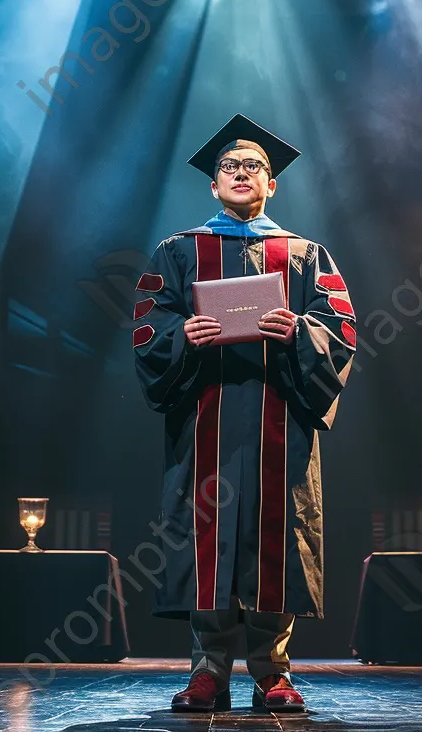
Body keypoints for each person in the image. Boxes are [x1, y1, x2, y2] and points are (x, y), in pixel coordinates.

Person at [131, 114, 356, 713]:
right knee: (207, 544)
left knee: (275, 541)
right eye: (229, 166)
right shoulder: (178, 251)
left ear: (272, 183)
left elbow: (343, 331)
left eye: (253, 166)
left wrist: (298, 331)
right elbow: (148, 325)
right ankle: (208, 670)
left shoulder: (306, 254)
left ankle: (272, 673)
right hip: (205, 421)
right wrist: (185, 333)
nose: (240, 173)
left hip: (279, 421)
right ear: (213, 182)